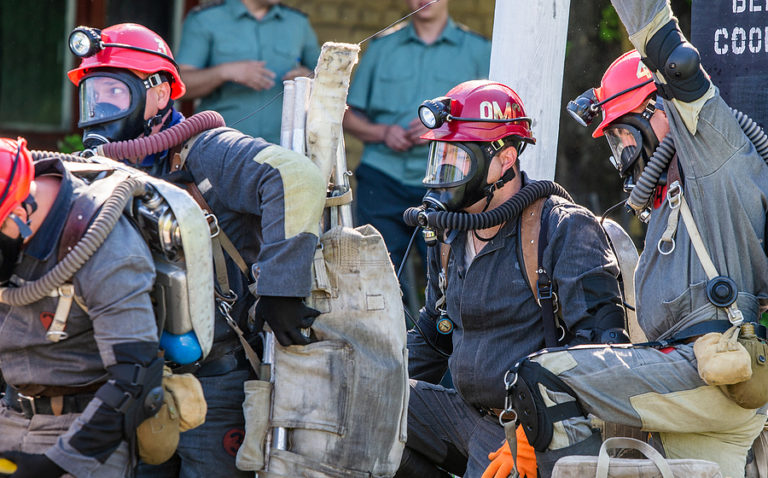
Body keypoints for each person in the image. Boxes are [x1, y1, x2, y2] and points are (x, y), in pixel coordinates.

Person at [507, 1, 768, 477]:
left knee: (541, 379)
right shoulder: (672, 202)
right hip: (706, 385)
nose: (623, 154)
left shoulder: (713, 153)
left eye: (623, 136)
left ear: (659, 110)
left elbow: (674, 57)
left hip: (720, 374)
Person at [66, 23, 326, 477]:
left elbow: (296, 177)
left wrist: (282, 288)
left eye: (115, 92)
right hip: (132, 378)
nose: (101, 109)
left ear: (160, 94)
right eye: (94, 94)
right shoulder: (97, 170)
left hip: (214, 380)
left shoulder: (205, 150)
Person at [396, 80, 629, 478]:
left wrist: (533, 431)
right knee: (366, 412)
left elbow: (601, 355)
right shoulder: (450, 232)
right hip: (466, 416)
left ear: (505, 159)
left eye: (458, 159)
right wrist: (373, 375)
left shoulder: (564, 228)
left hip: (532, 431)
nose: (443, 175)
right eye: (440, 157)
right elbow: (438, 331)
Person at [0, 137, 163, 477]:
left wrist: (57, 464)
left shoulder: (104, 245)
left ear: (18, 215)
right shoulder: (10, 230)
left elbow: (134, 375)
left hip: (83, 430)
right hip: (9, 414)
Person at [343, 0, 491, 301]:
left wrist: (444, 133)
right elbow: (345, 114)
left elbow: (494, 118)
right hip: (383, 176)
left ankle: (445, 344)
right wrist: (382, 132)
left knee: (453, 276)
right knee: (374, 275)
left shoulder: (478, 50)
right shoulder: (382, 48)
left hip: (451, 180)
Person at [175, 0, 320, 143]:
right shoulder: (206, 18)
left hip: (284, 150)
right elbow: (180, 86)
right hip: (221, 150)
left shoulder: (297, 22)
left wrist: (307, 78)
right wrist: (223, 72)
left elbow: (325, 77)